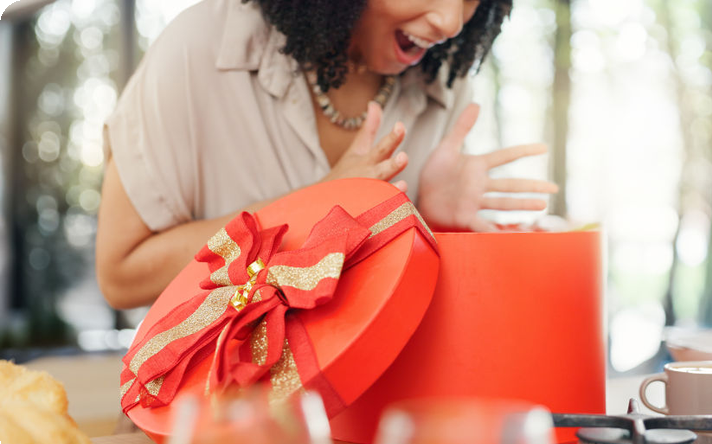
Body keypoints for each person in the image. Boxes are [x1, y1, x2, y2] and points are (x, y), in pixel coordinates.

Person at [96, 0, 558, 309]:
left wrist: (434, 226)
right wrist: (310, 212)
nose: (451, 21)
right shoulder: (200, 48)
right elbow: (120, 276)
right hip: (212, 421)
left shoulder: (446, 83)